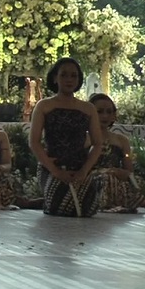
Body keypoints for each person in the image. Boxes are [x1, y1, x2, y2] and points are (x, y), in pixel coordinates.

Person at [29, 58, 102, 217]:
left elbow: (97, 144)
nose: (69, 79)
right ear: (55, 78)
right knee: (59, 206)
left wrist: (84, 171)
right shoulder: (44, 105)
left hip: (80, 167)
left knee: (87, 208)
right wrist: (54, 170)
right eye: (64, 75)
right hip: (53, 166)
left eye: (73, 76)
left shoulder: (88, 108)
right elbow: (34, 142)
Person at [88, 94, 145, 214]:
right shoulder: (85, 138)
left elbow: (129, 167)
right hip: (92, 180)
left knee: (130, 180)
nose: (105, 116)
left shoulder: (121, 140)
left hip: (117, 178)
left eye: (109, 111)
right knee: (106, 178)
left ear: (114, 115)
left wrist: (123, 173)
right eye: (99, 111)